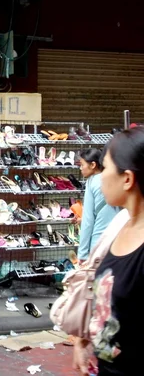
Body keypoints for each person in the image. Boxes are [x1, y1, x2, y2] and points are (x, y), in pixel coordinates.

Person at [73, 127, 144, 376]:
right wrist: (84, 340)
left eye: (106, 167)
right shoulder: (119, 225)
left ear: (127, 178)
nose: (101, 176)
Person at [77, 148, 119, 263]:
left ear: (93, 165)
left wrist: (82, 254)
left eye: (82, 164)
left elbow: (88, 221)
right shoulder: (113, 180)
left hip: (99, 242)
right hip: (118, 240)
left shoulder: (92, 182)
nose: (80, 168)